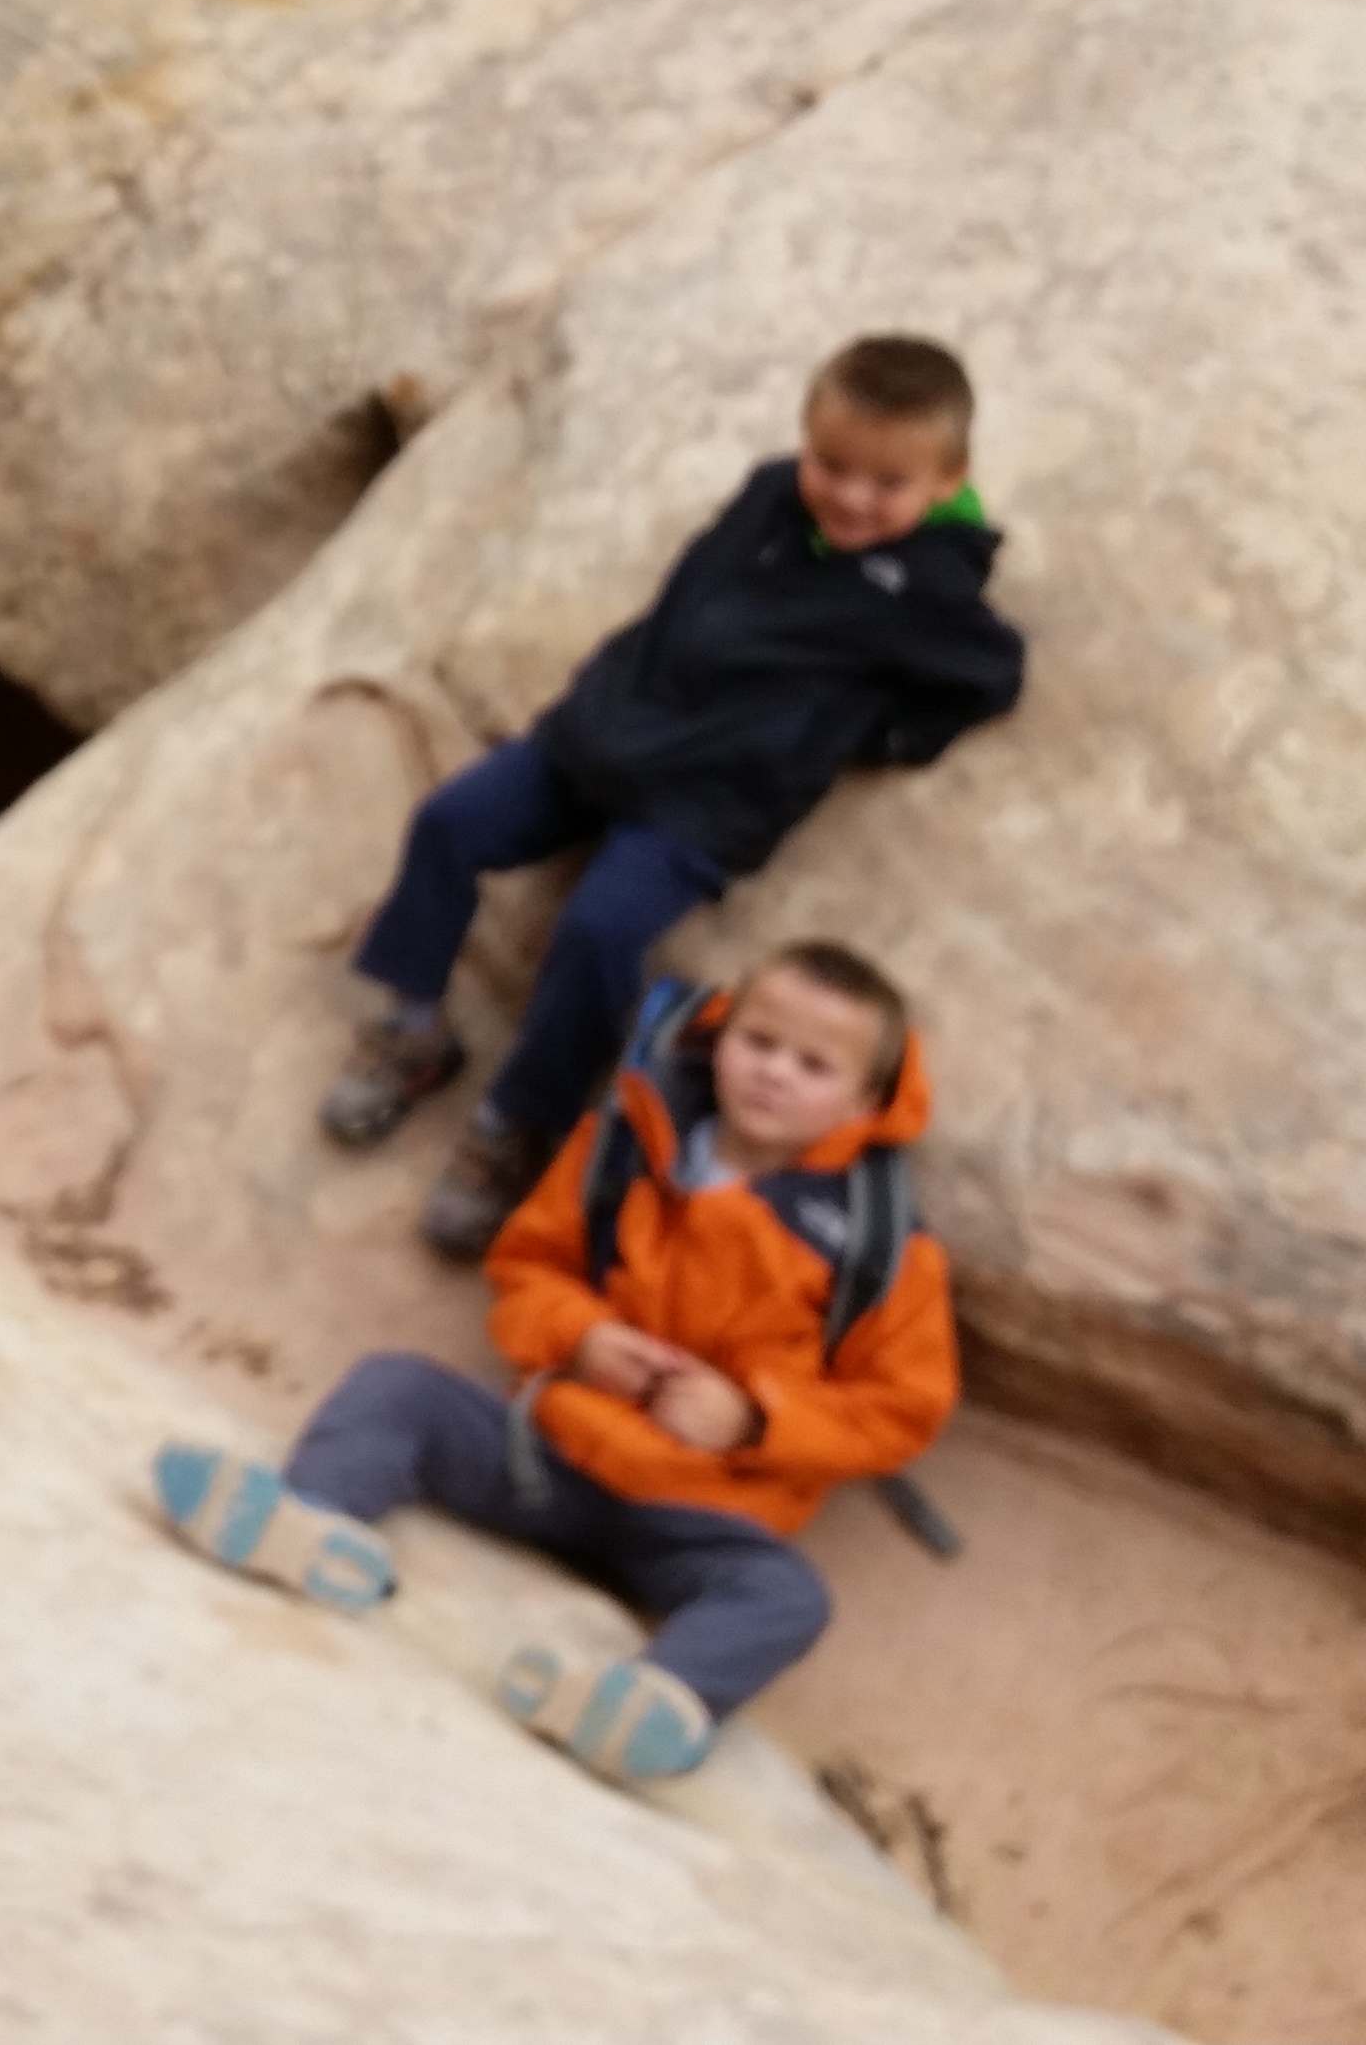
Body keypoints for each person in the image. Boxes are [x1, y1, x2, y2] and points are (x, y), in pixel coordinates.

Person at [154, 942, 956, 1784]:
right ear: (720, 1037)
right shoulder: (630, 1136)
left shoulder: (882, 1245)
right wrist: (580, 1337)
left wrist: (754, 1419)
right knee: (398, 1387)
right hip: (551, 1450)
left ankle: (642, 1704)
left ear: (866, 1099)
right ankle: (309, 1519)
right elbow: (526, 1266)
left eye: (814, 1065)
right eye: (759, 1042)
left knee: (787, 1598)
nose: (774, 1074)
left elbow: (902, 1410)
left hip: (698, 1515)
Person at [318, 334, 1024, 1259]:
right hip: (605, 737)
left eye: (887, 484)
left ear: (947, 479)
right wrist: (612, 696)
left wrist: (871, 738)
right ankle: (415, 1029)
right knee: (451, 822)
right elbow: (688, 599)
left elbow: (992, 675)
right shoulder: (775, 493)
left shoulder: (927, 588)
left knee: (599, 929)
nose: (851, 496)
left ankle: (516, 1121)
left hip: (705, 802)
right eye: (833, 464)